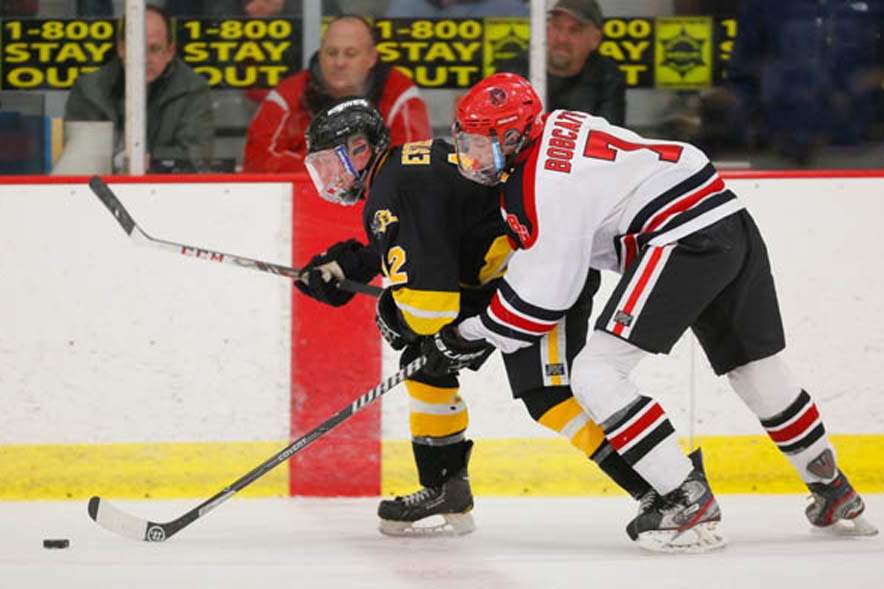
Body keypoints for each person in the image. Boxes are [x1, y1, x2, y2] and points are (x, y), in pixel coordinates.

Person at [422, 72, 877, 550]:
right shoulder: (560, 122)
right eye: (466, 142)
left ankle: (685, 497)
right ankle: (833, 489)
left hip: (682, 237)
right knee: (756, 369)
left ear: (516, 136)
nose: (472, 157)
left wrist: (465, 334)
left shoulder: (539, 185)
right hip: (726, 216)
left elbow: (541, 301)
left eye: (482, 144)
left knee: (595, 374)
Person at [294, 97, 652, 536]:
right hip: (502, 277)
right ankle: (445, 488)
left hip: (542, 275)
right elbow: (430, 240)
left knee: (550, 396)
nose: (327, 177)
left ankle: (659, 487)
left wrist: (394, 315)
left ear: (361, 149)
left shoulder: (395, 188)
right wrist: (346, 266)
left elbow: (430, 307)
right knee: (425, 364)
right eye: (319, 167)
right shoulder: (403, 170)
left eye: (330, 164)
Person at [701, 0, 883, 166]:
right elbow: (742, 77)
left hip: (859, 149)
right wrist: (751, 128)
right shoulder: (763, 4)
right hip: (778, 150)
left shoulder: (875, 6)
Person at [243, 15, 432, 173]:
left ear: (371, 58)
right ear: (320, 54)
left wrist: (323, 165)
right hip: (303, 198)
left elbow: (414, 166)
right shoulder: (289, 95)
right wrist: (339, 165)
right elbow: (256, 162)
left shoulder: (400, 95)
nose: (339, 63)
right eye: (331, 52)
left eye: (350, 53)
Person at [64, 4, 214, 170]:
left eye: (154, 49)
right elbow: (79, 159)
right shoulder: (89, 90)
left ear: (170, 52)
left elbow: (196, 156)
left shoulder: (193, 90)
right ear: (121, 48)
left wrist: (152, 160)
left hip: (167, 184)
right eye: (136, 47)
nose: (144, 59)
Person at [496, 0, 626, 125]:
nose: (562, 39)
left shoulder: (607, 78)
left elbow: (608, 135)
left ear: (595, 39)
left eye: (574, 30)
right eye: (557, 27)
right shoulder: (513, 74)